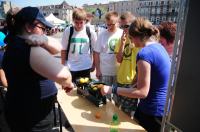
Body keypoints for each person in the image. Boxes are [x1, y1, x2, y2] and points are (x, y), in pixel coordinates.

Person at [2, 6, 74, 132]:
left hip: (19, 112)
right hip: (35, 120)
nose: (45, 32)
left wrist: (43, 40)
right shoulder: (31, 49)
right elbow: (65, 76)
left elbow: (58, 48)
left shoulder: (14, 43)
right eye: (42, 28)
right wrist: (68, 83)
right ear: (29, 27)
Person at [100, 17, 171, 132]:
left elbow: (142, 92)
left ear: (137, 36)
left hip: (153, 110)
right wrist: (133, 84)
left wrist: (112, 89)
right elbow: (151, 78)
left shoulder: (144, 53)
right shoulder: (159, 47)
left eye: (131, 38)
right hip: (154, 107)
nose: (132, 42)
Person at [113, 12, 140, 116]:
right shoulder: (121, 40)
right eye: (122, 26)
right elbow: (119, 60)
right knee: (116, 108)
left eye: (127, 26)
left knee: (127, 113)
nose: (124, 29)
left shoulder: (139, 41)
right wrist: (123, 44)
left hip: (131, 82)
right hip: (120, 79)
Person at [61, 8, 97, 82]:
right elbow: (63, 49)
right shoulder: (68, 31)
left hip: (85, 67)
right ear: (73, 20)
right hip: (71, 67)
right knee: (69, 91)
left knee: (85, 91)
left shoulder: (90, 31)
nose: (79, 25)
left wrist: (94, 64)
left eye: (81, 22)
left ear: (85, 21)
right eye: (76, 22)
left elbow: (95, 50)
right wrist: (63, 66)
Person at [94, 11, 123, 86]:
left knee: (117, 96)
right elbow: (96, 53)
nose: (109, 27)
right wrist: (98, 70)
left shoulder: (123, 34)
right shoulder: (102, 35)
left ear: (118, 22)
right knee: (104, 96)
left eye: (112, 24)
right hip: (104, 72)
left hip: (119, 72)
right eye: (107, 24)